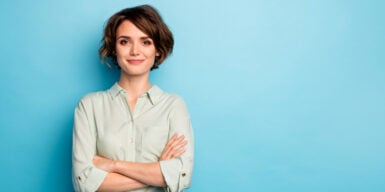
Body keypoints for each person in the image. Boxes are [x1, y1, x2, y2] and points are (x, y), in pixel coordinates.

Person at [72, 5, 194, 192]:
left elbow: (181, 176)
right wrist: (159, 173)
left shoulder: (173, 106)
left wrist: (113, 165)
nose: (135, 51)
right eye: (124, 42)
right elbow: (84, 183)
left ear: (158, 50)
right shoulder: (89, 106)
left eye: (145, 42)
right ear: (114, 49)